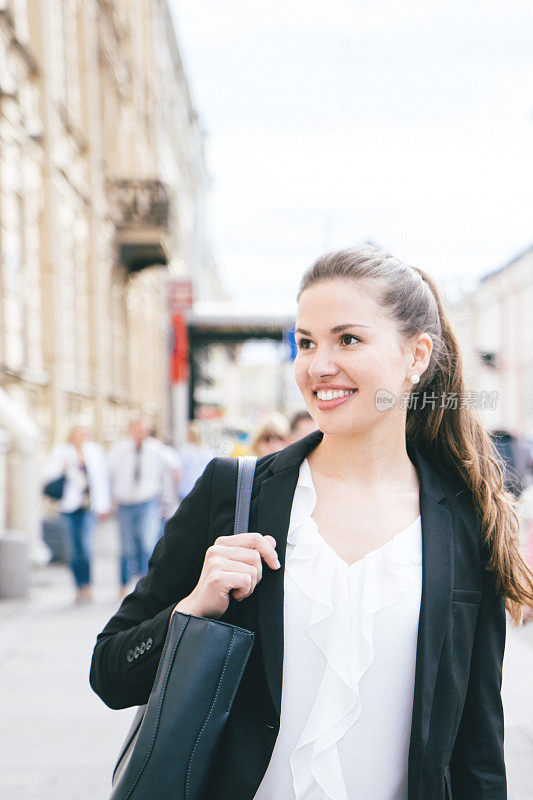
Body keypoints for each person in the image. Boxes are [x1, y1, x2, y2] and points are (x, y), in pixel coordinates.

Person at [90, 245, 533, 800]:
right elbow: (111, 672)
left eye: (348, 339)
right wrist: (194, 607)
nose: (319, 365)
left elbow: (478, 748)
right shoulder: (233, 493)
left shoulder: (464, 522)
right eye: (305, 343)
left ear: (416, 356)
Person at [107, 417, 181, 594]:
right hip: (125, 503)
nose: (141, 433)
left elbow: (175, 470)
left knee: (147, 544)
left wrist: (168, 498)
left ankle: (145, 583)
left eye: (144, 430)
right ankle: (123, 584)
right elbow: (109, 476)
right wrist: (111, 501)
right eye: (137, 429)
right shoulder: (119, 450)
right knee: (126, 546)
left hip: (148, 502)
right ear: (130, 430)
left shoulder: (157, 449)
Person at [43, 422, 111, 603]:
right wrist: (63, 467)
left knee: (86, 547)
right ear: (72, 434)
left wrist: (104, 506)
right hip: (68, 507)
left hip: (88, 507)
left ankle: (88, 585)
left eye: (85, 433)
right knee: (72, 549)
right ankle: (78, 586)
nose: (82, 436)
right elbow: (47, 475)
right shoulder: (61, 452)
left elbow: (102, 480)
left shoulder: (95, 452)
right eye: (79, 433)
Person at [176, 421, 215, 501]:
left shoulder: (185, 450)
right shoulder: (207, 451)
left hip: (186, 490)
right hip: (201, 489)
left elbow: (178, 472)